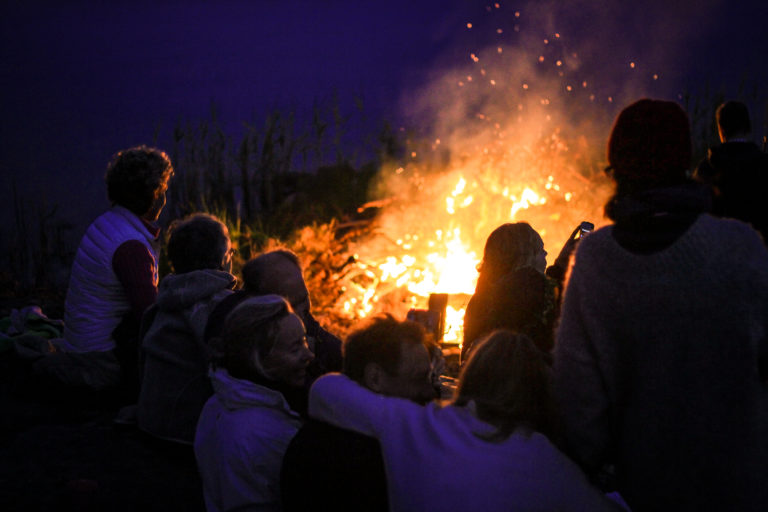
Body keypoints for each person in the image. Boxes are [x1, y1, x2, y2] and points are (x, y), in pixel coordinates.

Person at [554, 98, 768, 511]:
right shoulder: (741, 248)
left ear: (617, 168)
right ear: (685, 161)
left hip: (648, 497)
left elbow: (581, 420)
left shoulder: (595, 262)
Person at [309, 330, 622, 512]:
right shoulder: (545, 461)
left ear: (471, 377)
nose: (427, 389)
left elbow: (325, 389)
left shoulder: (413, 423)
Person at [35, 146, 173, 392]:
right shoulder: (131, 247)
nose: (165, 197)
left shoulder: (107, 223)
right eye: (163, 190)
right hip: (100, 361)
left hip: (81, 344)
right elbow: (150, 318)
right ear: (153, 195)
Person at [280, 314, 436, 512]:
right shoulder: (367, 462)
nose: (430, 392)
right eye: (418, 378)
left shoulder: (314, 432)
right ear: (375, 378)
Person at [194, 295, 314, 512]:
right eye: (295, 349)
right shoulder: (250, 435)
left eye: (305, 341)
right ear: (259, 359)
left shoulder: (221, 399)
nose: (309, 355)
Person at [136, 213, 236, 445]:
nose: (232, 257)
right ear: (222, 259)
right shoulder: (221, 307)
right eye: (231, 251)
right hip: (185, 434)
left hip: (150, 422)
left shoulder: (163, 302)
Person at [205, 250, 342, 388]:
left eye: (304, 298)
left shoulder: (298, 313)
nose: (304, 309)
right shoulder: (242, 335)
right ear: (262, 302)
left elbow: (330, 346)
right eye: (293, 304)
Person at [461, 222, 574, 363]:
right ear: (523, 257)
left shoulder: (481, 298)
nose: (546, 253)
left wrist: (559, 268)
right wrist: (560, 270)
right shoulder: (528, 290)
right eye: (540, 250)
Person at [693, 100, 768, 241]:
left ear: (721, 130)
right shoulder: (763, 163)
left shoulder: (707, 168)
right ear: (748, 127)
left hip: (715, 252)